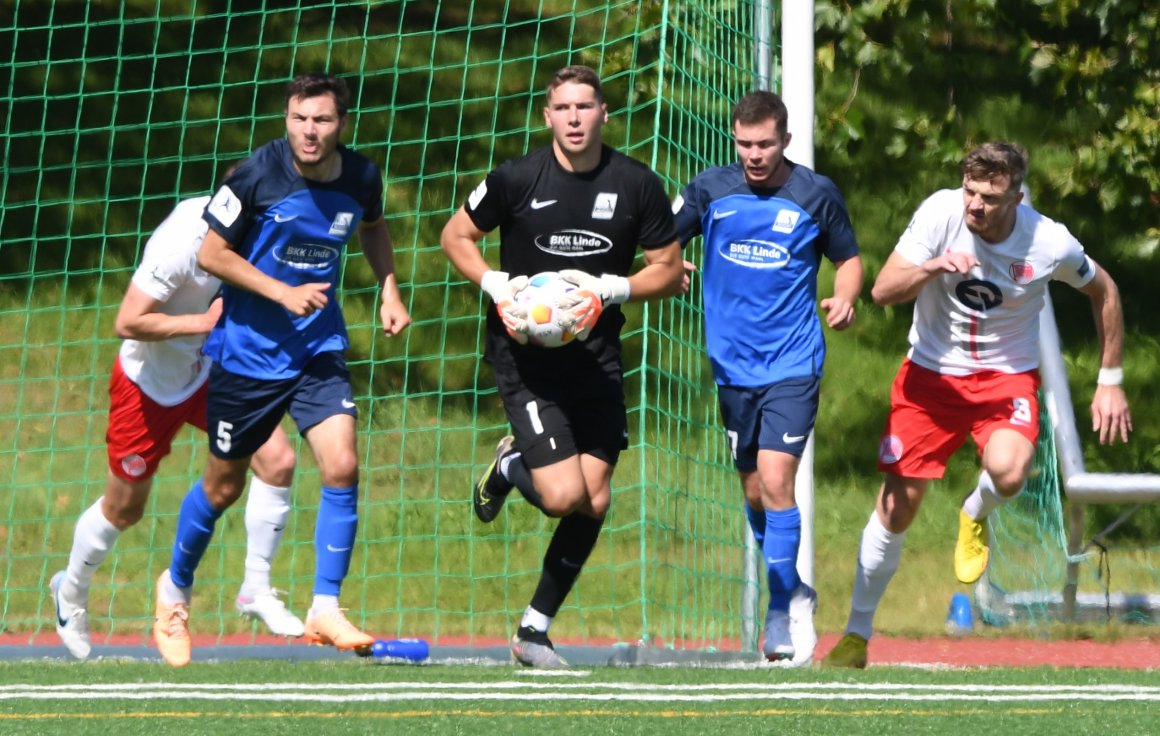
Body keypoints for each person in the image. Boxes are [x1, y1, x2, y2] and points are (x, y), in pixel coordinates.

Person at [822, 141, 1133, 668]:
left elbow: (1104, 291)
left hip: (1004, 379)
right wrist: (934, 266)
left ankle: (974, 511)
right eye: (970, 191)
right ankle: (856, 634)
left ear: (1017, 195)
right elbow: (883, 291)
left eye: (989, 196)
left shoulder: (1048, 242)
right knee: (899, 507)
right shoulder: (940, 214)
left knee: (1010, 472)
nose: (975, 205)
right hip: (931, 376)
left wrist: (1110, 379)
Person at [151, 72, 412, 667]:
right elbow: (210, 254)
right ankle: (174, 592)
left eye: (321, 120)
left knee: (342, 463)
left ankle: (325, 605)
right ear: (287, 119)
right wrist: (279, 291)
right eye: (299, 119)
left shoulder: (362, 177)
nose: (309, 131)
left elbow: (373, 227)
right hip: (248, 353)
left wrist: (389, 290)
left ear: (342, 123)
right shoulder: (255, 176)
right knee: (223, 487)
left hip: (317, 348)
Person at [440, 65, 684, 668]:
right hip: (526, 360)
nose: (574, 119)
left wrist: (613, 291)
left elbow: (669, 268)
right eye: (563, 108)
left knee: (595, 501)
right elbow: (455, 236)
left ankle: (533, 630)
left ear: (604, 113)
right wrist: (497, 285)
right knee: (560, 495)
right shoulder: (517, 177)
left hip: (596, 358)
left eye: (585, 107)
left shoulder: (636, 184)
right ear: (547, 115)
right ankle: (511, 461)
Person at [49, 193, 303, 661]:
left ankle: (255, 588)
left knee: (278, 459)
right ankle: (70, 593)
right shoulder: (181, 242)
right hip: (148, 386)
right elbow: (127, 320)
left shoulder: (265, 230)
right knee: (124, 510)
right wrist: (200, 322)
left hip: (211, 373)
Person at [672, 91, 863, 666]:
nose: (755, 155)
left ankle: (779, 610)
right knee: (753, 489)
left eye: (765, 144)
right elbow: (662, 235)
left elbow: (848, 258)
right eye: (745, 144)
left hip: (792, 363)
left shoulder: (814, 194)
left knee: (778, 480)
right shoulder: (710, 189)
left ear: (785, 141)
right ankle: (793, 585)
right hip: (732, 366)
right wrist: (669, 259)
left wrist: (846, 296)